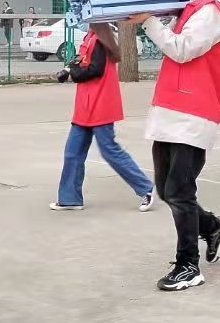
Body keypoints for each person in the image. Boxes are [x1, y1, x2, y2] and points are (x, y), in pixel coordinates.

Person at [128, 0, 220, 292]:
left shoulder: (213, 11)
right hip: (172, 106)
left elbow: (182, 49)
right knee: (166, 189)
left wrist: (148, 22)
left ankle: (188, 266)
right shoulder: (194, 5)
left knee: (179, 189)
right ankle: (212, 226)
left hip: (194, 112)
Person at [49, 22, 155, 212]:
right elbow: (85, 62)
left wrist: (74, 73)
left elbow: (95, 69)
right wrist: (71, 69)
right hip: (86, 105)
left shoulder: (99, 40)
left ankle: (145, 188)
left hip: (100, 105)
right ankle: (70, 198)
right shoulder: (91, 37)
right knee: (73, 152)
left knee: (109, 150)